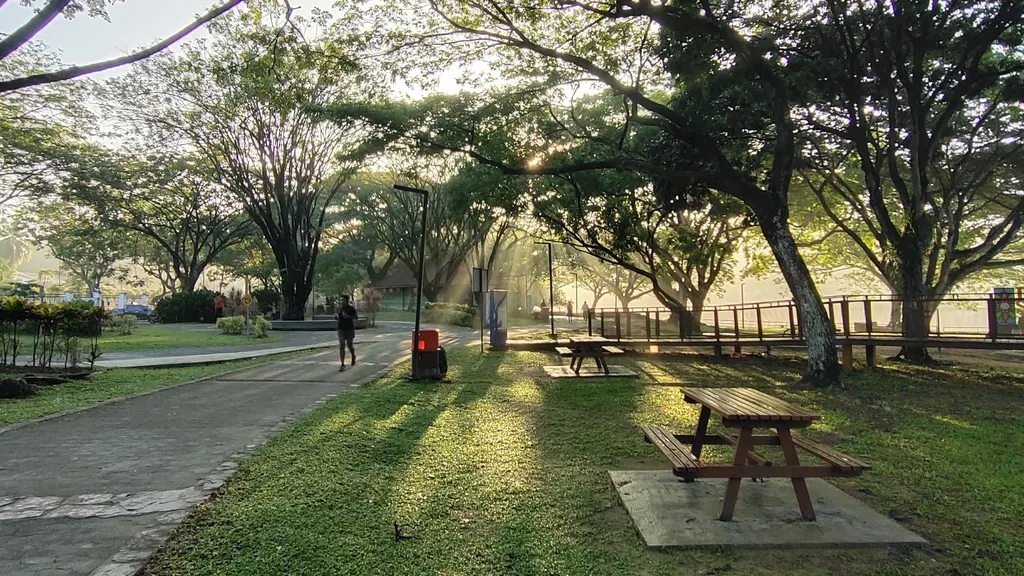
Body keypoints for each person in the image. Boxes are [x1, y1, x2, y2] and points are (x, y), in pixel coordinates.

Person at [336, 294, 358, 371]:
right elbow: (337, 316)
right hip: (340, 329)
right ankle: (342, 364)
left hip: (349, 329)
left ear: (347, 301)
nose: (342, 302)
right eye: (341, 300)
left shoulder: (351, 309)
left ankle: (353, 356)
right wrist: (336, 317)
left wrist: (348, 316)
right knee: (342, 345)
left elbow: (356, 317)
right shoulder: (339, 309)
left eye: (343, 300)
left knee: (349, 345)